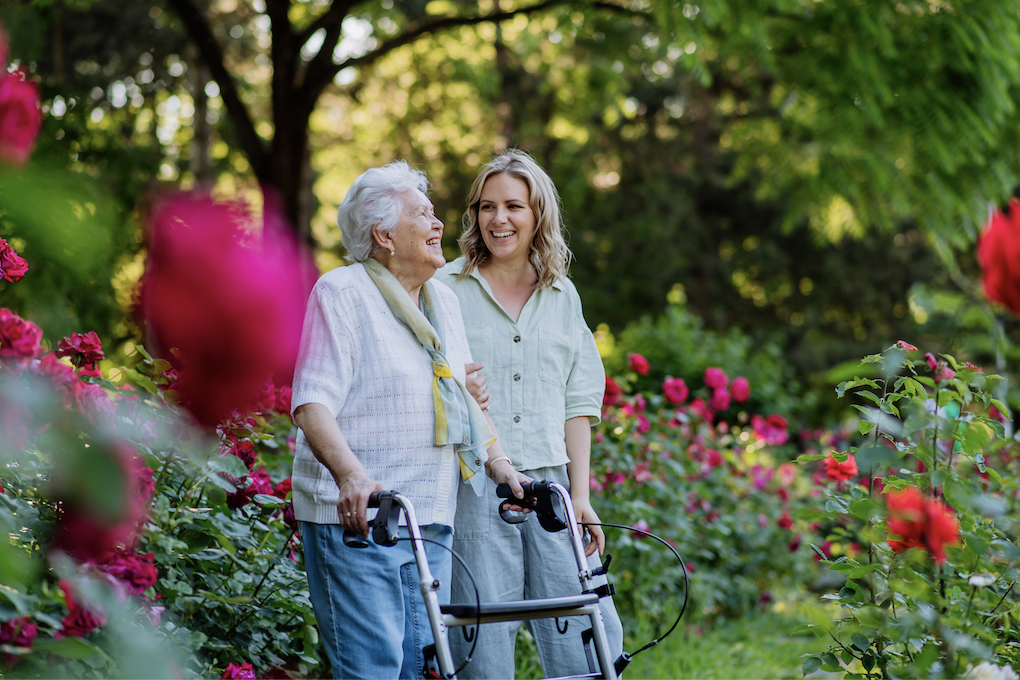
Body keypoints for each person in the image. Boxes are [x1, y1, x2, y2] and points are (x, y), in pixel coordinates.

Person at [290, 160, 516, 679]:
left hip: (430, 515)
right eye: (423, 214)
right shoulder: (343, 293)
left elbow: (465, 402)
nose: (439, 224)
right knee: (374, 668)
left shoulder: (443, 302)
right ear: (384, 235)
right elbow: (311, 402)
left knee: (423, 669)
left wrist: (502, 466)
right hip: (362, 519)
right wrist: (352, 476)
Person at [436, 150, 624, 679]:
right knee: (481, 644)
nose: (499, 219)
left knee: (588, 637)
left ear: (538, 214)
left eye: (513, 206)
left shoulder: (562, 295)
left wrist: (580, 496)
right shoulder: (444, 289)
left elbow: (578, 403)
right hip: (475, 488)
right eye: (487, 206)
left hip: (551, 489)